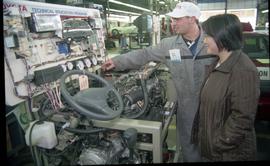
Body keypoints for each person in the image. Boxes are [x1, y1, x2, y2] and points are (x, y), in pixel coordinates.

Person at [101, 2, 216, 162]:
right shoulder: (169, 45)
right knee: (190, 150)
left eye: (177, 19)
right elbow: (145, 54)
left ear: (192, 19)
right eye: (172, 19)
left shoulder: (212, 41)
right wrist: (118, 62)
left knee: (214, 148)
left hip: (213, 108)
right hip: (187, 109)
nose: (172, 23)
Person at [190, 14, 260, 161]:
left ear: (222, 37)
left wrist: (217, 143)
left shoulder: (243, 70)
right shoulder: (217, 63)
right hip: (216, 152)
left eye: (208, 36)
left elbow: (241, 120)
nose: (204, 41)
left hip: (229, 154)